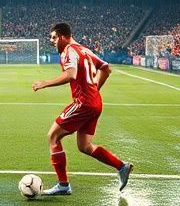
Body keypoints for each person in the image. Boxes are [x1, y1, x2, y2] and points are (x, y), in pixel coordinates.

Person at [32, 22, 132, 195]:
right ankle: (121, 166)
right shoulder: (85, 50)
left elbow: (70, 74)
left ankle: (63, 185)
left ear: (63, 36)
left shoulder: (69, 50)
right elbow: (106, 69)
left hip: (83, 103)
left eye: (54, 38)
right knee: (85, 146)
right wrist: (95, 89)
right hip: (95, 102)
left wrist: (44, 83)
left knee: (53, 136)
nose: (52, 41)